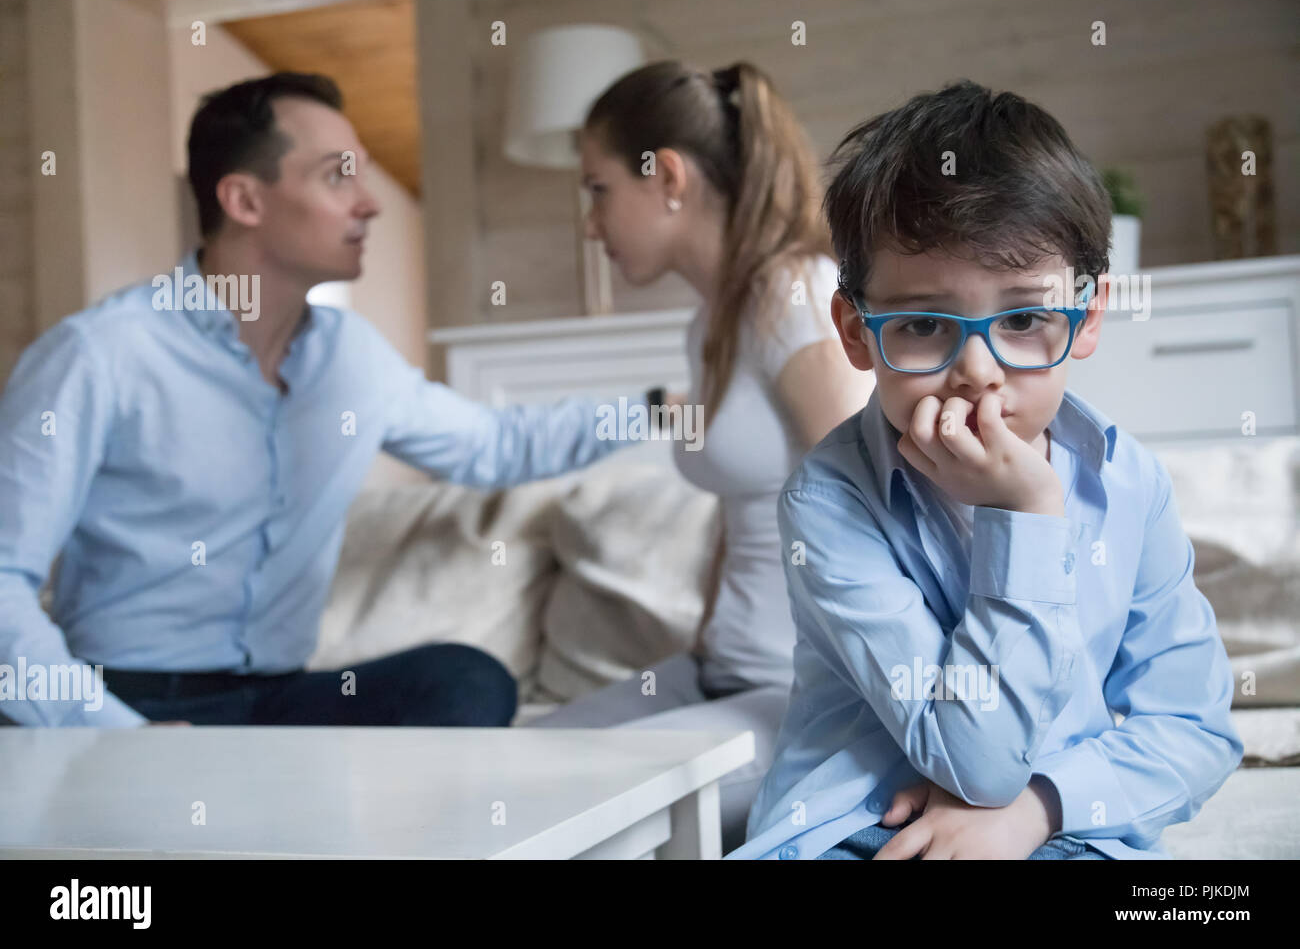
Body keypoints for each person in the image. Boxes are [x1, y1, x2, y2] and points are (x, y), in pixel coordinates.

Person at [0, 72, 649, 729]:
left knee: (464, 679)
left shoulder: (351, 357)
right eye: (338, 177)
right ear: (245, 200)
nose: (369, 204)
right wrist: (113, 736)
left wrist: (658, 406)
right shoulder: (99, 354)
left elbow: (496, 445)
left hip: (277, 702)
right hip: (132, 698)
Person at [728, 80, 1242, 860]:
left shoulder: (1129, 486)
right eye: (926, 324)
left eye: (1025, 318)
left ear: (1088, 316)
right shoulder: (830, 500)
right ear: (857, 333)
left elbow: (1196, 729)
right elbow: (973, 758)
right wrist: (1029, 515)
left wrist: (1038, 807)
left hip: (1066, 827)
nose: (978, 370)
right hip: (859, 828)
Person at [525, 60, 875, 853]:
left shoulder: (794, 295)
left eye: (598, 190)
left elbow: (883, 508)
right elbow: (742, 505)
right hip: (717, 668)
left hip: (798, 696)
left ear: (668, 177)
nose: (591, 223)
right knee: (503, 772)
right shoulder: (709, 326)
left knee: (567, 816)